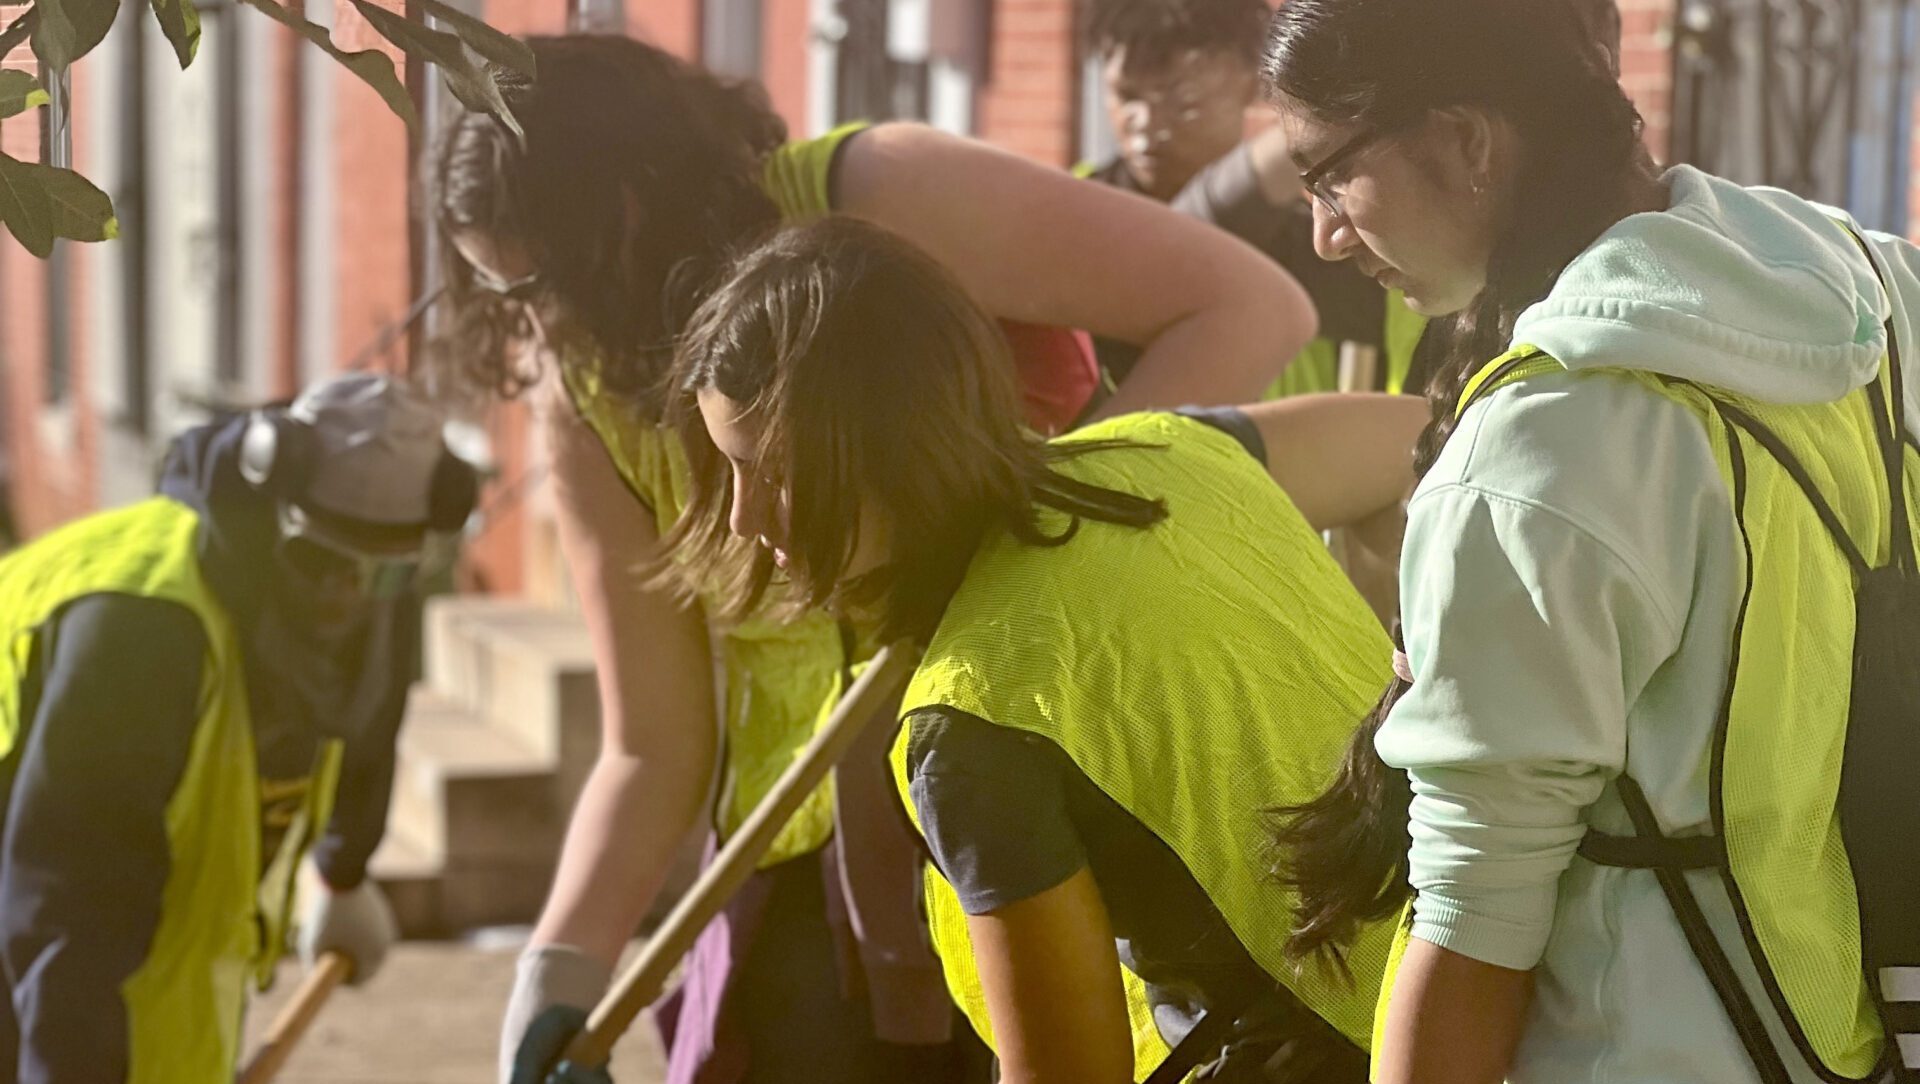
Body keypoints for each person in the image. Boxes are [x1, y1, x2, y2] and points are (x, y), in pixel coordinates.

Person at [429, 35, 1319, 1084]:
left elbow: (1250, 308)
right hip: (808, 894)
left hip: (1043, 780)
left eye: (550, 273)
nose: (540, 318)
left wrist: (1026, 532)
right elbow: (653, 743)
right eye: (501, 288)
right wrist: (559, 971)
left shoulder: (879, 194)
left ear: (630, 198)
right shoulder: (582, 392)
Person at [1259, 2, 1920, 1083]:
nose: (1326, 233)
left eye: (1328, 176)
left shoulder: (1537, 455)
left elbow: (1475, 933)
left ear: (1468, 141)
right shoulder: (1879, 288)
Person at [667, 215, 1425, 1083]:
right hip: (1499, 998)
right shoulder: (1175, 454)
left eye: (772, 471)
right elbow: (1430, 438)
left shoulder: (974, 723)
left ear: (891, 444)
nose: (743, 517)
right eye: (729, 468)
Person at [0, 373, 477, 1083]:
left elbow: (367, 719)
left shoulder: (375, 588)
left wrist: (343, 871)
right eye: (320, 560)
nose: (343, 594)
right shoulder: (143, 629)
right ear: (269, 518)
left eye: (378, 576)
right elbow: (72, 905)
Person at [1078, 0, 1428, 402]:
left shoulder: (1338, 241)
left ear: (1249, 85)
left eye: (1183, 100)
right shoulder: (1067, 226)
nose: (1145, 124)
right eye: (1125, 96)